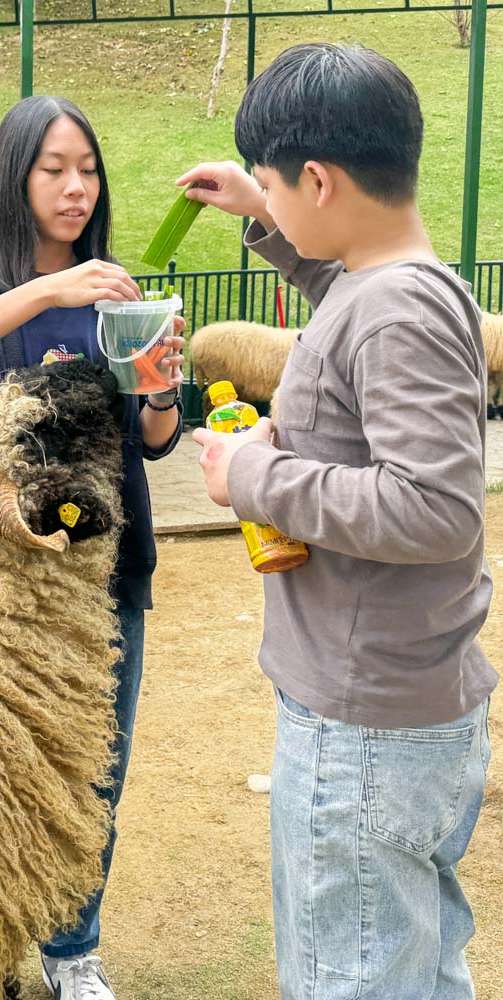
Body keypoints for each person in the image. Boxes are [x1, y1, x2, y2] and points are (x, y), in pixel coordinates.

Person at [184, 44, 495, 1000]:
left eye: (280, 186)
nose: (274, 202)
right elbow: (349, 302)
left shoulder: (396, 312)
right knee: (410, 968)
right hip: (402, 704)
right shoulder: (397, 282)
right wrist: (262, 212)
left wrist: (254, 475)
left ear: (318, 181)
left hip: (365, 729)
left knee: (352, 979)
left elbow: (434, 508)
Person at [0, 95, 185, 1000]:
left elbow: (151, 441)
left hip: (102, 577)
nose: (74, 187)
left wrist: (160, 390)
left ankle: (72, 953)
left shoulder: (118, 294)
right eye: (53, 169)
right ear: (14, 178)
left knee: (86, 773)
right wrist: (50, 290)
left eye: (87, 169)